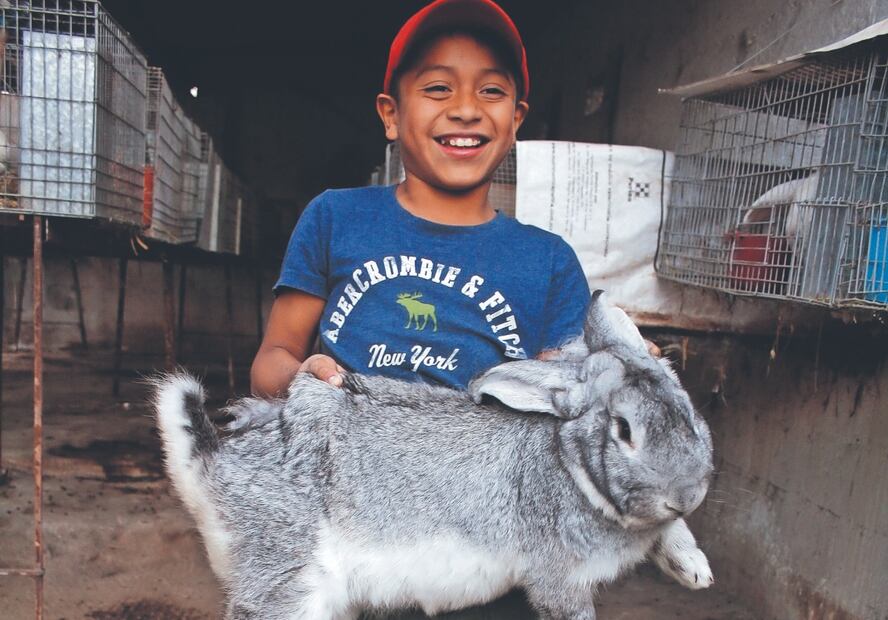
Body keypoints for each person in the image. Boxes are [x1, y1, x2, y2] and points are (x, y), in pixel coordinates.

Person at [250, 0, 591, 397]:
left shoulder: (550, 262)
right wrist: (302, 379)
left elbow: (569, 388)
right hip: (344, 451)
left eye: (492, 90)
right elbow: (272, 357)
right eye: (438, 88)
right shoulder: (335, 217)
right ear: (391, 115)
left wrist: (609, 369)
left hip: (478, 458)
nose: (466, 109)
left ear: (515, 121)